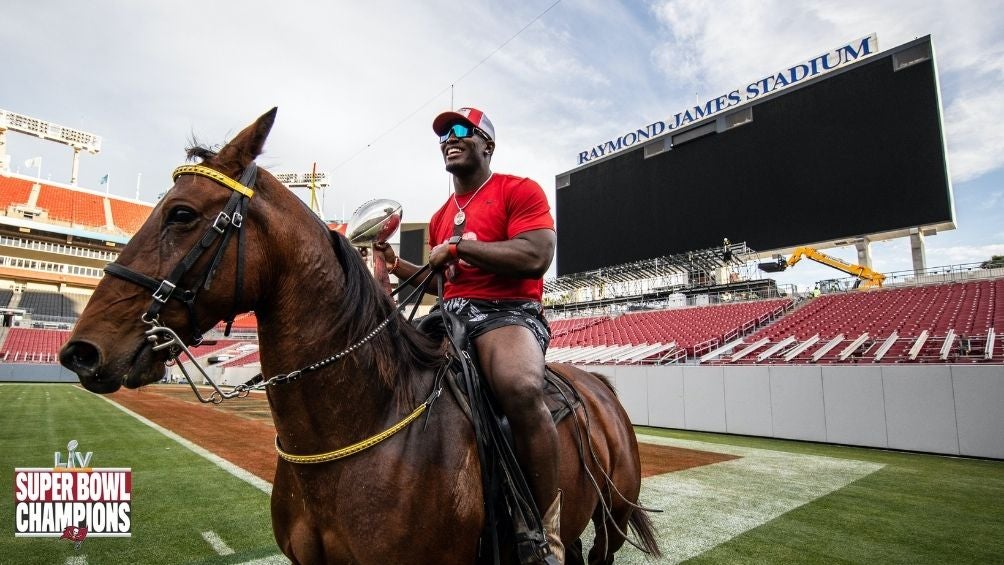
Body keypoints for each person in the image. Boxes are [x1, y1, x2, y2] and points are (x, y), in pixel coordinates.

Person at [375, 107, 561, 564]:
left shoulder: (518, 190)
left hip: (508, 312)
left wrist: (458, 247)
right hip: (451, 313)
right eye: (443, 135)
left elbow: (537, 254)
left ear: (487, 145)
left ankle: (544, 529)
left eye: (462, 131)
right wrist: (397, 265)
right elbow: (443, 281)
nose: (449, 139)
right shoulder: (440, 215)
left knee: (520, 388)